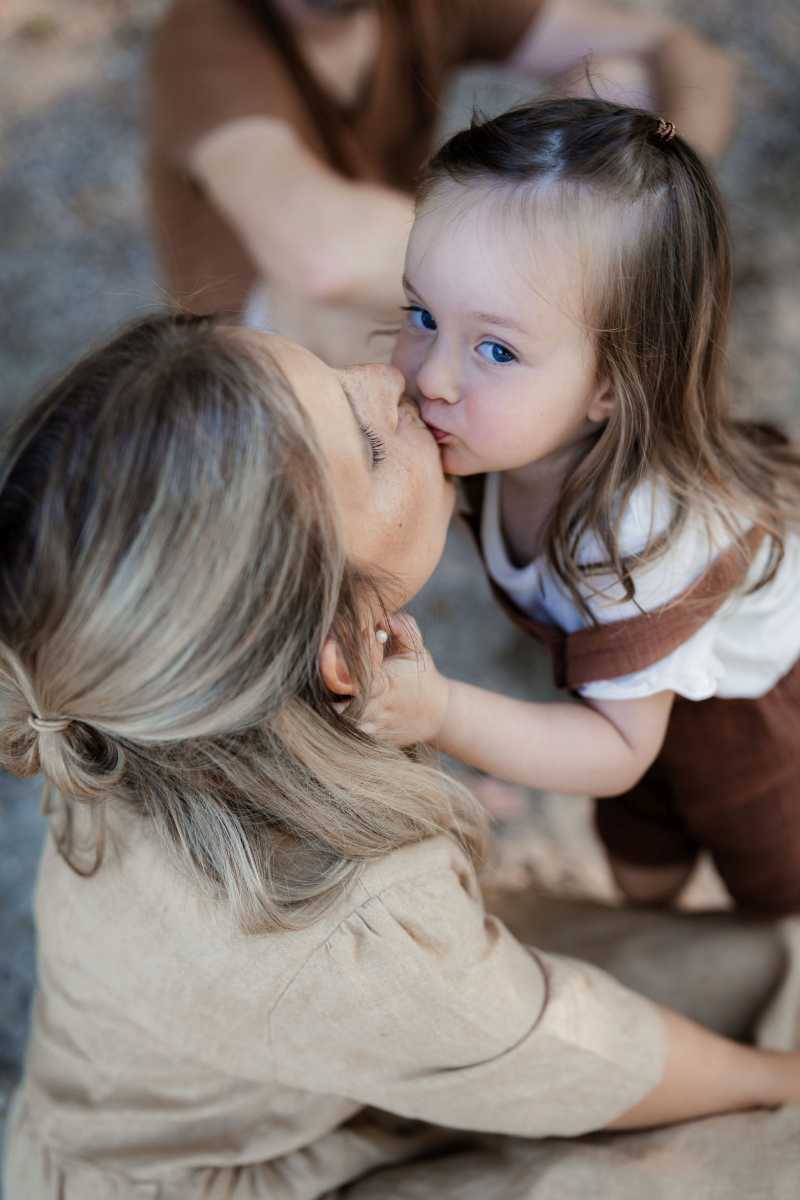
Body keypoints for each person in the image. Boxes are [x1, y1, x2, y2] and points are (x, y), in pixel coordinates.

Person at [4, 314, 800, 1199]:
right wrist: (776, 1087)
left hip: (285, 1060)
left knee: (764, 962)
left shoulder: (122, 703)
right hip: (227, 1176)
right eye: (373, 449)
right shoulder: (349, 919)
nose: (392, 382)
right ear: (343, 651)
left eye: (338, 367)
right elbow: (560, 1051)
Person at [361, 96, 800, 917]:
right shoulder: (489, 432)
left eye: (497, 348)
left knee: (772, 892)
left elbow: (615, 753)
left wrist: (441, 710)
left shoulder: (641, 537)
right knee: (640, 865)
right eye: (421, 314)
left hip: (755, 724)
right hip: (624, 693)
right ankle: (654, 934)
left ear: (609, 383)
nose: (433, 377)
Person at [146, 0, 737, 364]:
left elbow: (673, 49)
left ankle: (554, 335)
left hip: (405, 270)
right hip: (252, 337)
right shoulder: (203, 34)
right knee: (329, 302)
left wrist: (673, 179)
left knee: (621, 85)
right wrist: (562, 252)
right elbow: (323, 258)